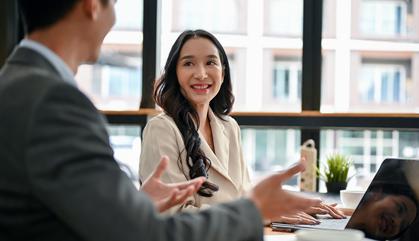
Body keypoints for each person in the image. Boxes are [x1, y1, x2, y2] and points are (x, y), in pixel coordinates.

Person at [0, 0, 322, 240]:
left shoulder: (17, 85)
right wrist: (254, 210)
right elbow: (140, 235)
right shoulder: (55, 102)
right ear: (93, 5)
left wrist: (137, 204)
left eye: (211, 62)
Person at [139, 29, 344, 223]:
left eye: (211, 62)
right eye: (188, 64)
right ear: (175, 72)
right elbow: (172, 214)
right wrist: (256, 215)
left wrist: (285, 206)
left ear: (223, 71)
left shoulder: (229, 127)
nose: (201, 74)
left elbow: (244, 196)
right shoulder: (161, 130)